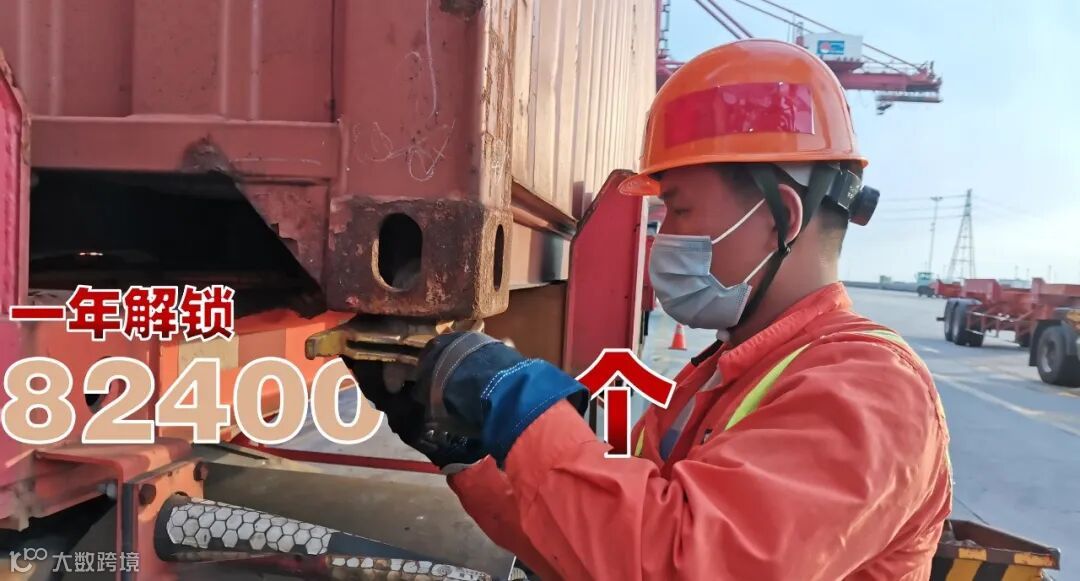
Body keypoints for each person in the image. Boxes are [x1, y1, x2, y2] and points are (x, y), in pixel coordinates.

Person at [346, 39, 953, 580]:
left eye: (680, 211)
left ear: (782, 217)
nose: (664, 241)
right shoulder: (723, 377)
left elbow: (675, 564)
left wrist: (517, 397)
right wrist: (470, 454)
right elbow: (597, 550)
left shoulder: (870, 390)